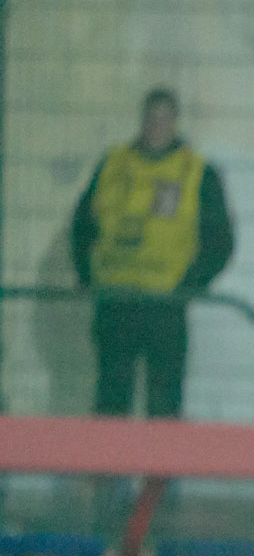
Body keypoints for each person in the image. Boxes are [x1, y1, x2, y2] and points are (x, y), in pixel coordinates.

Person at [70, 88, 235, 419]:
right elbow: (82, 225)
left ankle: (158, 456)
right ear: (141, 120)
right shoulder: (113, 164)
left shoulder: (196, 171)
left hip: (165, 306)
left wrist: (188, 286)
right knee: (110, 400)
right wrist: (88, 276)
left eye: (164, 118)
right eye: (151, 117)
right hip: (115, 301)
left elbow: (220, 241)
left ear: (175, 121)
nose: (156, 125)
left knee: (164, 403)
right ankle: (108, 454)